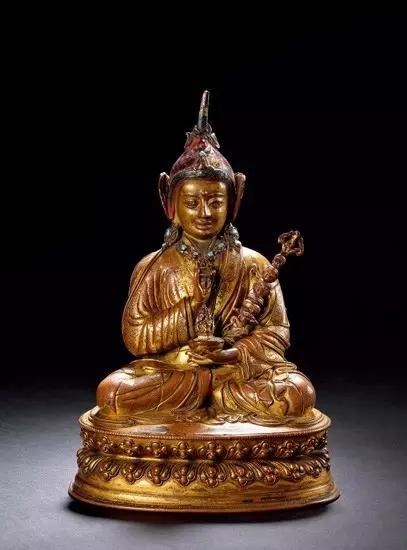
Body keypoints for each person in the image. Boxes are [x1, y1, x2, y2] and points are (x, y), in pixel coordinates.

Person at [96, 91, 315, 425]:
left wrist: (231, 353)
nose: (205, 213)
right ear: (171, 204)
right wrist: (187, 313)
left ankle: (214, 393)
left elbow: (276, 332)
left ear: (233, 202)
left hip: (234, 372)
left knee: (298, 393)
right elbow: (136, 335)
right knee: (113, 393)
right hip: (176, 372)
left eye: (215, 201)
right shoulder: (155, 265)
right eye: (192, 202)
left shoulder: (254, 264)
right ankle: (212, 394)